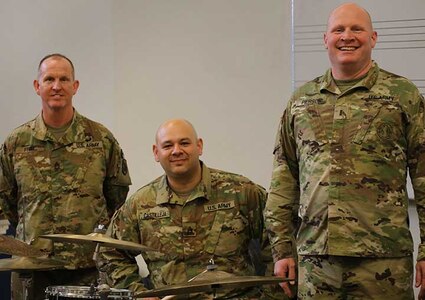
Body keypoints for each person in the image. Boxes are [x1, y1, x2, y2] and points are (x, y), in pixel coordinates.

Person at [264, 3, 425, 300]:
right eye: (338, 29)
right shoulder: (301, 101)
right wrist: (282, 249)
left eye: (356, 29)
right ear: (325, 39)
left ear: (373, 37)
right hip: (316, 260)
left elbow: (424, 174)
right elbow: (284, 176)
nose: (347, 36)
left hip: (383, 260)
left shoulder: (403, 95)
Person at [101, 119, 285, 299]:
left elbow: (280, 239)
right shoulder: (140, 204)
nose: (176, 151)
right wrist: (139, 293)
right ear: (156, 153)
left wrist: (269, 295)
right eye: (167, 146)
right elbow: (109, 252)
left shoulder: (241, 192)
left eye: (184, 143)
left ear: (199, 146)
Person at [0, 53, 132, 300]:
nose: (57, 86)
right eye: (49, 79)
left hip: (88, 268)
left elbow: (118, 200)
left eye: (64, 79)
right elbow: (6, 203)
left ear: (75, 86)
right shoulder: (17, 142)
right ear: (37, 86)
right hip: (32, 267)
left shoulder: (100, 139)